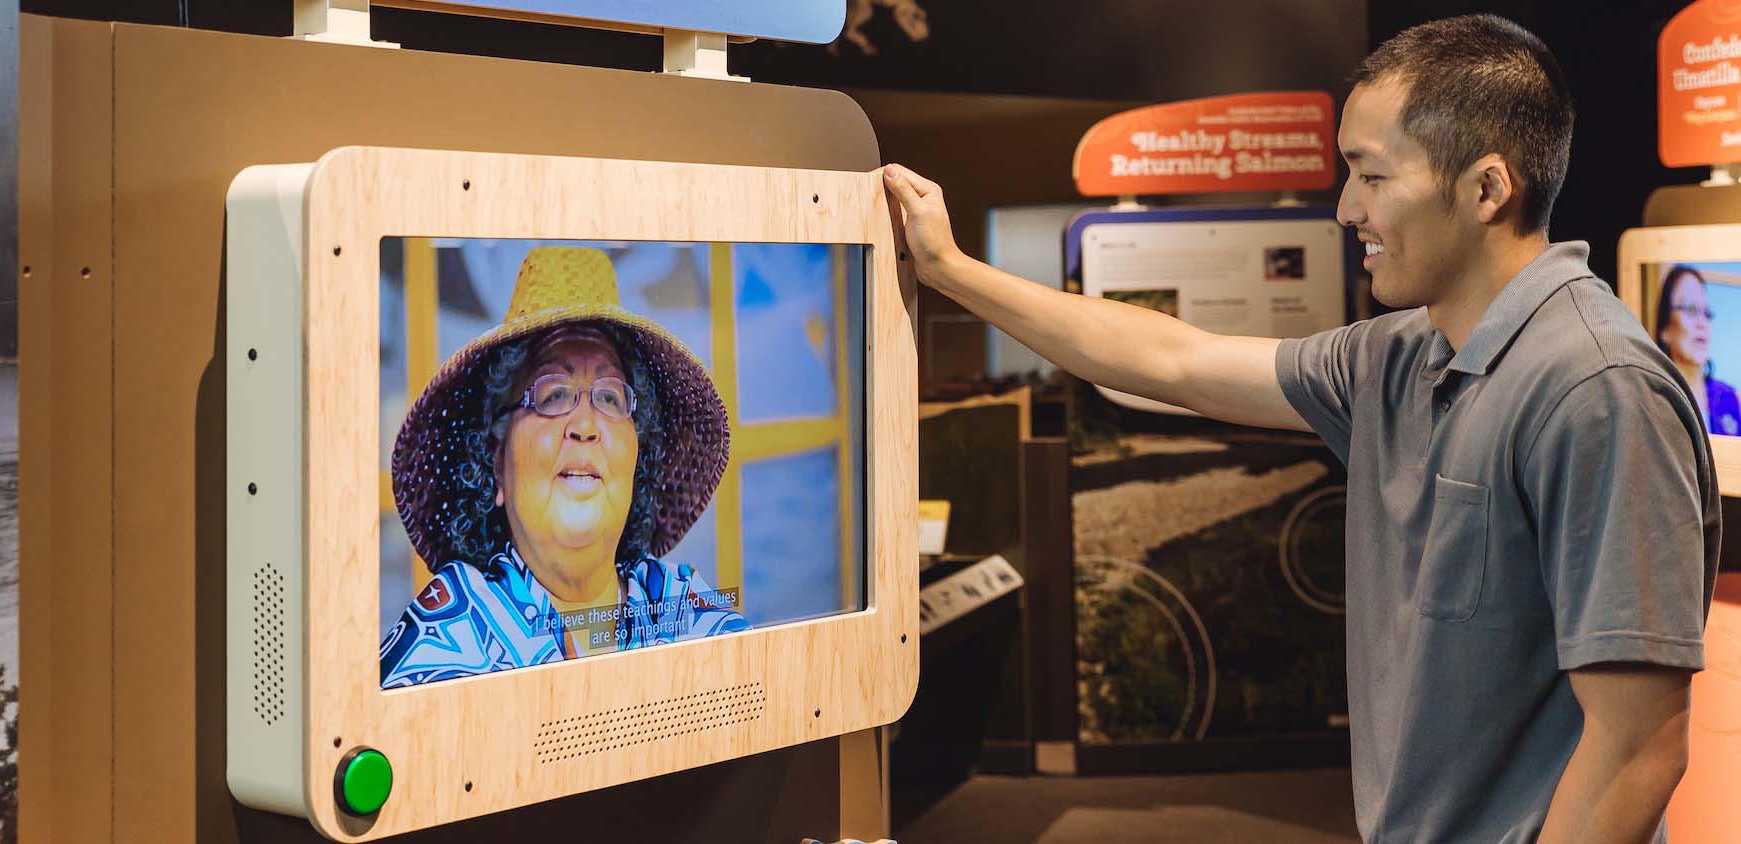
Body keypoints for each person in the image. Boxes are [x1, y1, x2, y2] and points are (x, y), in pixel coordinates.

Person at [884, 14, 1720, 844]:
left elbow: (1636, 746)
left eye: (1372, 175)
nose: (1346, 208)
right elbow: (1175, 359)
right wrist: (951, 270)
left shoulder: (1597, 389)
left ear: (1486, 189)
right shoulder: (1397, 356)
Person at [379, 246, 748, 689]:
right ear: (496, 464)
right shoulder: (448, 640)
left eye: (611, 398)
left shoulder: (682, 607)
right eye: (553, 395)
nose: (586, 425)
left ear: (637, 461)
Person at [1655, 265, 1741, 436]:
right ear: (1665, 329)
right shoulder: (1653, 400)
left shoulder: (1728, 398)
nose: (1702, 323)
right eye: (1690, 309)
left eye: (1706, 313)